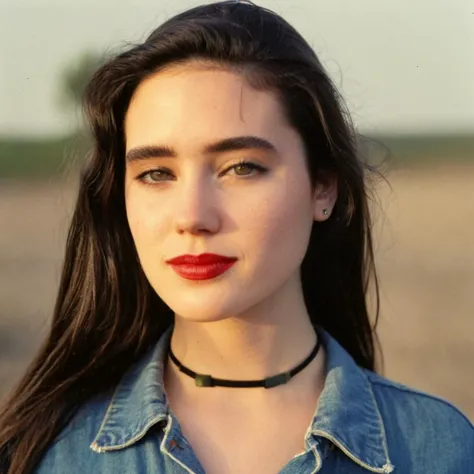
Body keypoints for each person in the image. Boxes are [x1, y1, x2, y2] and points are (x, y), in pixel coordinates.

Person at [1, 1, 473, 473]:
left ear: (323, 186)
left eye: (241, 167)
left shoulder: (439, 449)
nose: (192, 216)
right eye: (156, 173)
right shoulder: (43, 455)